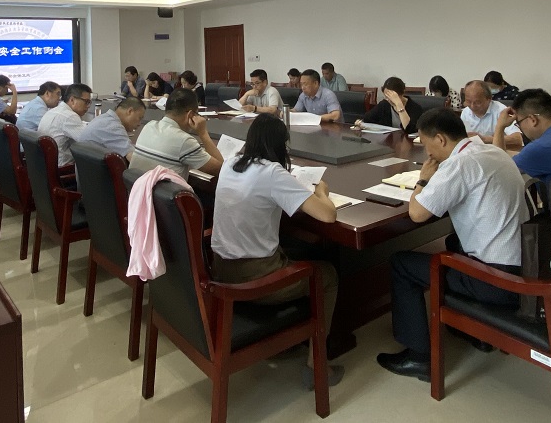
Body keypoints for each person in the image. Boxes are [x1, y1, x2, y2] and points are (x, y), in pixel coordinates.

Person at [376, 109, 527, 381]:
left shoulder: (459, 164)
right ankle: (471, 330)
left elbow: (417, 214)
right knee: (453, 241)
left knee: (401, 264)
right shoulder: (492, 151)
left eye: (426, 144)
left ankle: (419, 357)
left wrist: (423, 180)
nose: (427, 152)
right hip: (525, 264)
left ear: (441, 139)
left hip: (497, 281)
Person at [211, 114, 343, 389]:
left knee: (295, 247)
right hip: (254, 279)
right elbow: (328, 215)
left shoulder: (231, 163)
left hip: (220, 269)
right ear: (280, 145)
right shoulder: (272, 173)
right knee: (327, 274)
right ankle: (317, 363)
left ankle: (297, 334)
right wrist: (322, 192)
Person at [128, 88, 223, 180]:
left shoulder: (148, 126)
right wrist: (203, 133)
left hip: (137, 189)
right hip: (160, 190)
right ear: (190, 114)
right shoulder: (184, 141)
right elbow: (221, 170)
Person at [37, 84, 93, 166]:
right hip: (62, 167)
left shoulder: (53, 111)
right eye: (86, 102)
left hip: (45, 164)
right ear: (72, 100)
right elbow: (88, 141)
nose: (88, 106)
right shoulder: (70, 116)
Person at [77, 96, 146, 161]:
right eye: (140, 118)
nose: (139, 123)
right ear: (130, 111)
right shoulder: (113, 127)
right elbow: (134, 159)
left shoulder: (104, 118)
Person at [461, 80, 520, 146]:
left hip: (499, 150)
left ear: (489, 99)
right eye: (468, 101)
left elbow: (518, 138)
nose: (472, 106)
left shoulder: (501, 111)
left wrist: (486, 139)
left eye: (477, 102)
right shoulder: (465, 112)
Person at [356, 76, 423, 133]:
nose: (389, 100)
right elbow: (367, 118)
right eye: (387, 96)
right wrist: (360, 123)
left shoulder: (415, 108)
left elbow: (410, 130)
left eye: (393, 97)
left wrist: (399, 104)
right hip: (389, 141)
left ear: (402, 93)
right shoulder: (385, 104)